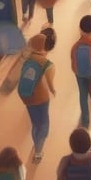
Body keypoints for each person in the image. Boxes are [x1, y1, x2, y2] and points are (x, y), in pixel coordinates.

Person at [18, 33, 56, 163]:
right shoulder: (46, 63)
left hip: (27, 97)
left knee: (35, 122)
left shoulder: (27, 59)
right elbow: (50, 82)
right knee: (44, 123)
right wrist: (53, 90)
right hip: (41, 98)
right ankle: (38, 151)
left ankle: (36, 144)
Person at [69, 15, 91, 128]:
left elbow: (73, 59)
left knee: (83, 95)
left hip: (79, 74)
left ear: (80, 28)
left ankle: (85, 121)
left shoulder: (75, 46)